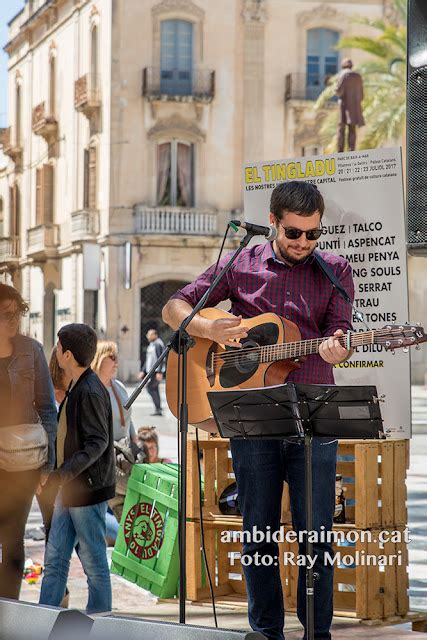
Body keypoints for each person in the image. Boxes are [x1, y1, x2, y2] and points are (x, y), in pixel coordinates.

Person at [162, 181, 355, 640]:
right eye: (294, 233)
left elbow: (341, 334)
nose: (304, 243)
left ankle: (317, 634)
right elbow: (175, 307)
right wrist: (209, 326)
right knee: (257, 531)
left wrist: (337, 351)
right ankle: (265, 632)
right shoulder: (241, 264)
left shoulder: (335, 271)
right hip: (251, 414)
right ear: (272, 222)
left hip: (311, 415)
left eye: (313, 234)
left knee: (317, 536)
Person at [39, 323, 115, 614]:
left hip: (86, 492)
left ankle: (100, 623)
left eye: (58, 347)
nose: (56, 351)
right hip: (68, 490)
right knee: (55, 559)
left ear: (66, 354)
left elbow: (97, 442)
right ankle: (44, 619)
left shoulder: (90, 390)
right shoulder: (77, 385)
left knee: (94, 563)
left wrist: (61, 474)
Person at [0, 284, 57, 600]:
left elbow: (47, 409)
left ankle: (9, 611)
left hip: (23, 462)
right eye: (6, 315)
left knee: (13, 539)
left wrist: (46, 466)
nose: (13, 321)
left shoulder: (31, 350)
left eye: (16, 314)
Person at [91, 340, 137, 529]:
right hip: (104, 461)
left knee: (128, 517)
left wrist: (135, 444)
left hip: (123, 458)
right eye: (112, 357)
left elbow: (129, 418)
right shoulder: (90, 389)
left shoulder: (118, 386)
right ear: (100, 359)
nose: (117, 361)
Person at [336, 58, 364, 152]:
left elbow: (339, 91)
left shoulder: (343, 74)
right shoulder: (358, 76)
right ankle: (351, 149)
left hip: (344, 106)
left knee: (341, 129)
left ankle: (340, 151)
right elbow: (362, 94)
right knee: (352, 129)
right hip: (354, 107)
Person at [140, 329, 165, 416]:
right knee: (154, 389)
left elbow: (160, 359)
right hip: (151, 371)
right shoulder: (152, 344)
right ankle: (158, 408)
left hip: (155, 372)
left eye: (150, 334)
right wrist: (143, 371)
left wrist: (159, 372)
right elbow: (148, 360)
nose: (148, 336)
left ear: (155, 335)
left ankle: (158, 408)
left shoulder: (158, 344)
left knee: (150, 388)